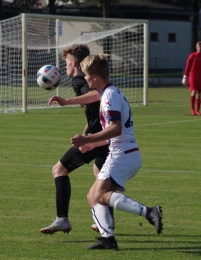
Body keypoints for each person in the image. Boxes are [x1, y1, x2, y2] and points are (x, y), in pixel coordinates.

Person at [71, 54, 163, 250]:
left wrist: (87, 138)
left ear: (94, 76)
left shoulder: (109, 95)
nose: (85, 79)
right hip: (124, 152)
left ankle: (149, 212)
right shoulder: (110, 93)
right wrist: (93, 145)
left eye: (86, 75)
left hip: (123, 154)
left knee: (99, 195)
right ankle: (108, 240)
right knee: (93, 196)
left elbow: (116, 128)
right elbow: (114, 132)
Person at [40, 44, 115, 235]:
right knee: (100, 173)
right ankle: (107, 220)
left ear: (74, 63)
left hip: (97, 139)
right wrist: (88, 125)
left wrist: (66, 101)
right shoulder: (88, 77)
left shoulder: (79, 79)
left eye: (66, 63)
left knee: (59, 169)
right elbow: (99, 102)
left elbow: (96, 95)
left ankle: (62, 220)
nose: (65, 67)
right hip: (106, 136)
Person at [182, 41, 201, 116]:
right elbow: (187, 66)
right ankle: (192, 109)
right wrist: (185, 76)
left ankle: (197, 110)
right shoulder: (192, 56)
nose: (199, 48)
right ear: (196, 47)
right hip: (192, 76)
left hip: (200, 77)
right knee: (193, 91)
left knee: (199, 93)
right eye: (198, 46)